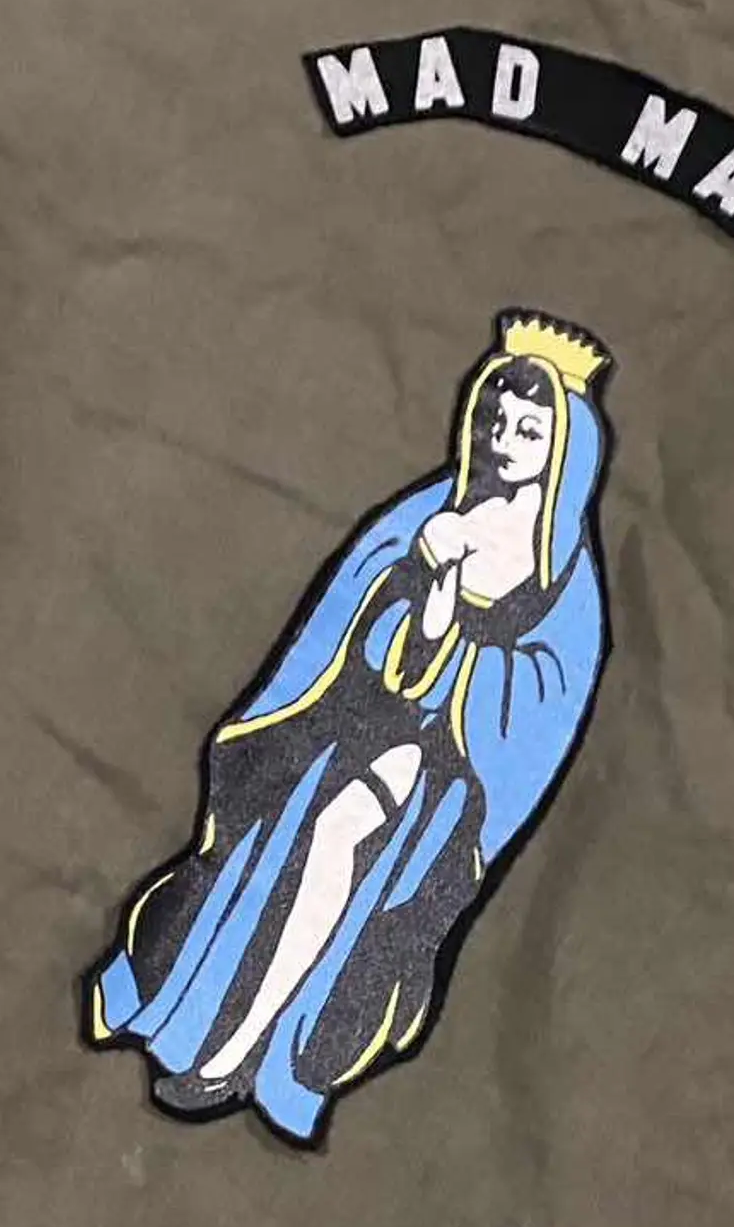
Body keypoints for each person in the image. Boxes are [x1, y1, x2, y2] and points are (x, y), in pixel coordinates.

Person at [85, 309, 615, 1141]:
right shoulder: (430, 515)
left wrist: (460, 647)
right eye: (498, 419)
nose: (507, 440)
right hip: (352, 726)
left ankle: (242, 1049)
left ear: (565, 449)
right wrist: (423, 599)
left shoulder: (568, 588)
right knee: (270, 856)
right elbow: (352, 615)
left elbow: (542, 706)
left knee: (337, 839)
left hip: (444, 781)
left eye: (531, 429)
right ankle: (206, 1024)